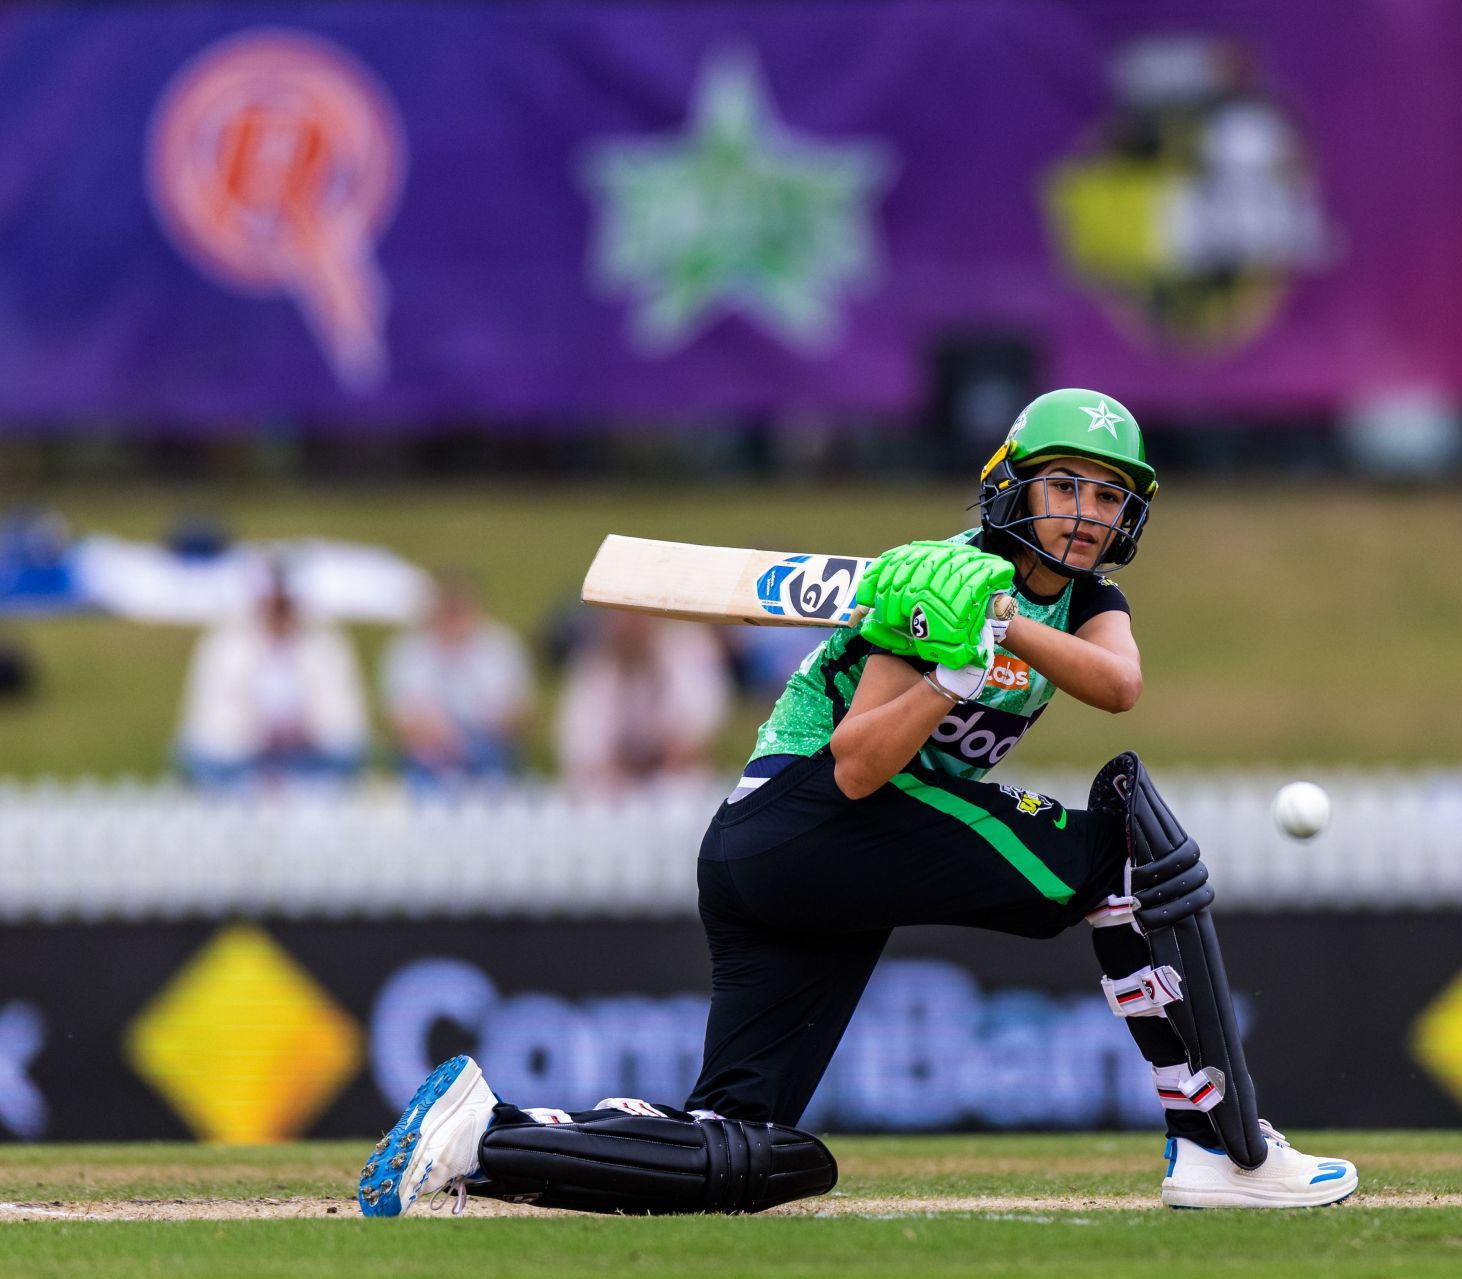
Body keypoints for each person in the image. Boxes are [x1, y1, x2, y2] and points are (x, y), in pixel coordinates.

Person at [358, 389, 1357, 1218]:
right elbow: (859, 761)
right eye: (1064, 485)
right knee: (1122, 852)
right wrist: (947, 678)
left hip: (800, 860)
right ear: (1014, 482)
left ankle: (485, 1140)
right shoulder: (934, 581)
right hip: (813, 817)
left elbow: (1116, 685)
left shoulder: (1075, 600)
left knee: (750, 1147)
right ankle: (1219, 1144)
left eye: (1106, 494)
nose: (1086, 511)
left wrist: (1000, 626)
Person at [175, 572, 368, 787]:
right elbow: (213, 717)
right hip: (241, 762)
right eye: (272, 605)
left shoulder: (324, 646)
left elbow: (343, 717)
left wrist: (307, 730)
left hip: (308, 760)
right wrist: (257, 734)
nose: (278, 615)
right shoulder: (228, 645)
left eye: (284, 606)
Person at [553, 610, 733, 793]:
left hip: (673, 788)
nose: (631, 626)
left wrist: (670, 748)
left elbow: (694, 736)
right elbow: (581, 750)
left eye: (638, 617)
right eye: (623, 618)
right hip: (613, 793)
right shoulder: (591, 670)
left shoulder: (684, 654)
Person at [380, 572, 533, 787]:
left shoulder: (501, 647)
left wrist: (499, 722)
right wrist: (430, 730)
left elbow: (522, 714)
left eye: (459, 611)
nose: (453, 620)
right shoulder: (408, 651)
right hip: (429, 752)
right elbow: (395, 719)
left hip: (488, 747)